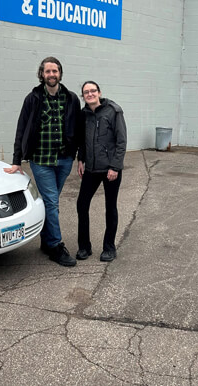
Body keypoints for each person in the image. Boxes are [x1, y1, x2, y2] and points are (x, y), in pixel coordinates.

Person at [4, 57, 82, 267]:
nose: (51, 75)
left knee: (51, 202)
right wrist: (16, 160)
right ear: (42, 74)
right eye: (47, 71)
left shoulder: (71, 98)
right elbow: (22, 128)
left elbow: (80, 129)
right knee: (51, 201)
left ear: (60, 73)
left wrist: (80, 157)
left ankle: (46, 241)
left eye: (55, 71)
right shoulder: (33, 98)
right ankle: (56, 246)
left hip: (64, 160)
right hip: (41, 161)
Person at [76, 81, 127, 262]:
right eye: (86, 92)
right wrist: (81, 159)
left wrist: (115, 167)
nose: (89, 94)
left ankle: (109, 247)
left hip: (110, 170)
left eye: (92, 91)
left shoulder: (113, 111)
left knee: (110, 207)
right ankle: (84, 246)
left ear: (99, 92)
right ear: (83, 96)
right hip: (90, 168)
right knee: (82, 204)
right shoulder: (84, 114)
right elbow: (82, 139)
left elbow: (121, 142)